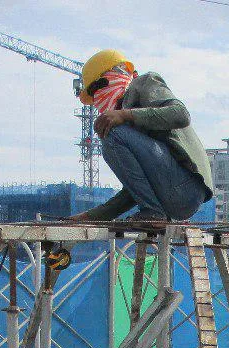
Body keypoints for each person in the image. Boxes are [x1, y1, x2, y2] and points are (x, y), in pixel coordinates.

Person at [67, 50, 213, 224]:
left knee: (113, 134)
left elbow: (181, 115)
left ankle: (153, 213)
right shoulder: (129, 132)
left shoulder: (144, 83)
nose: (97, 99)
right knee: (114, 135)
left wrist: (125, 115)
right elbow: (135, 189)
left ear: (111, 77)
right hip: (177, 196)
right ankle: (153, 213)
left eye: (96, 90)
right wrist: (90, 217)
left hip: (186, 188)